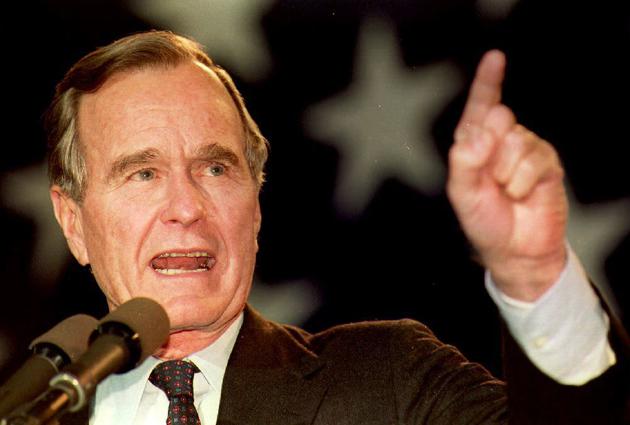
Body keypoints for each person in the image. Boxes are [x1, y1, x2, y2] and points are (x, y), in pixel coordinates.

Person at [45, 31, 628, 424]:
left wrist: (534, 274)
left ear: (256, 205)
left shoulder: (390, 382)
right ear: (73, 222)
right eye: (143, 173)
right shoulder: (29, 404)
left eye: (216, 167)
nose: (187, 206)